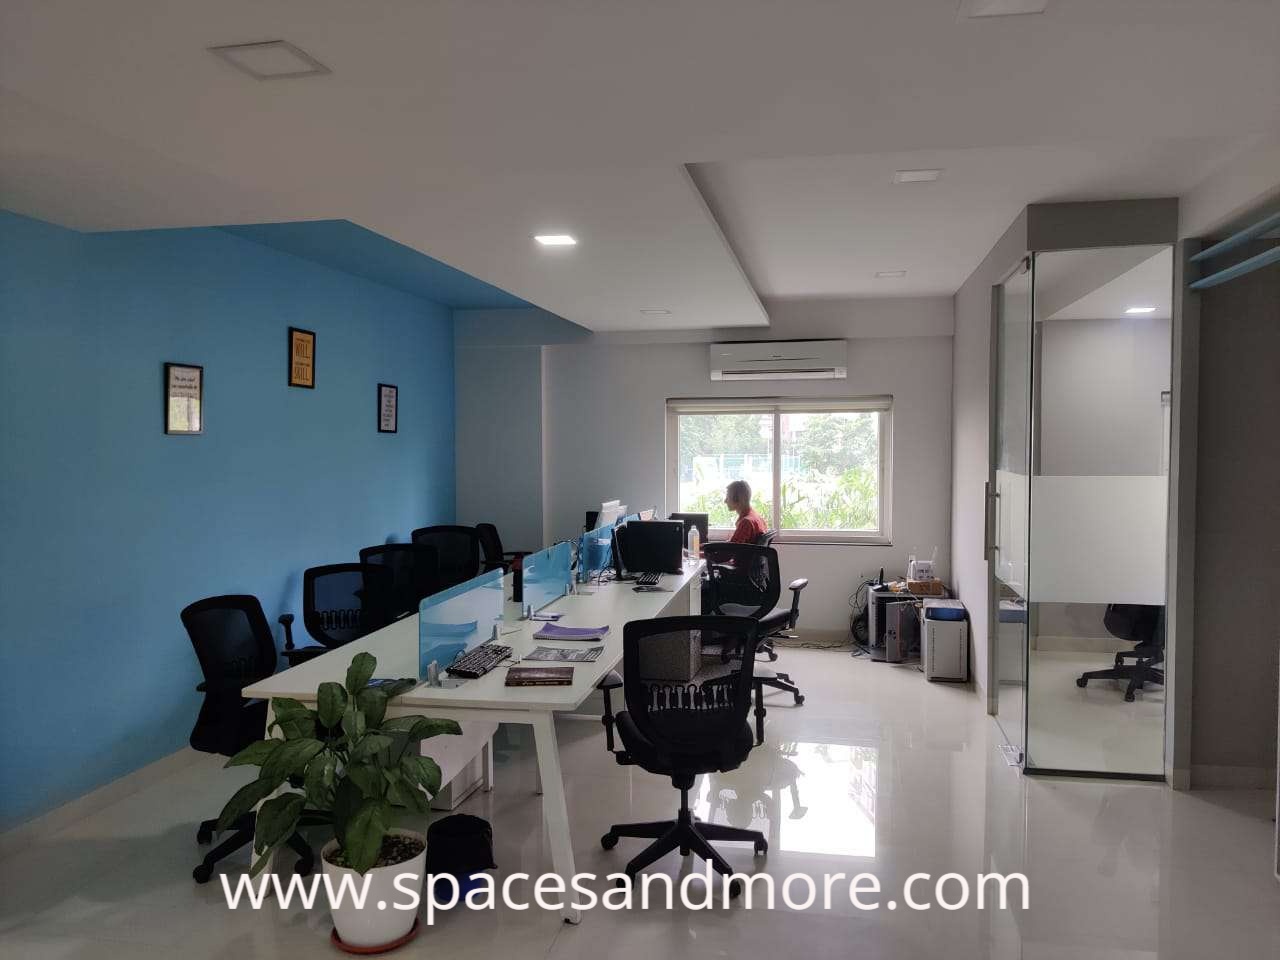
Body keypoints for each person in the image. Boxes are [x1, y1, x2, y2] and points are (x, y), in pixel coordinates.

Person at [724, 479, 767, 544]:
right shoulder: (757, 518)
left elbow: (732, 548)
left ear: (737, 499)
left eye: (728, 497)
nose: (725, 501)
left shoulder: (746, 522)